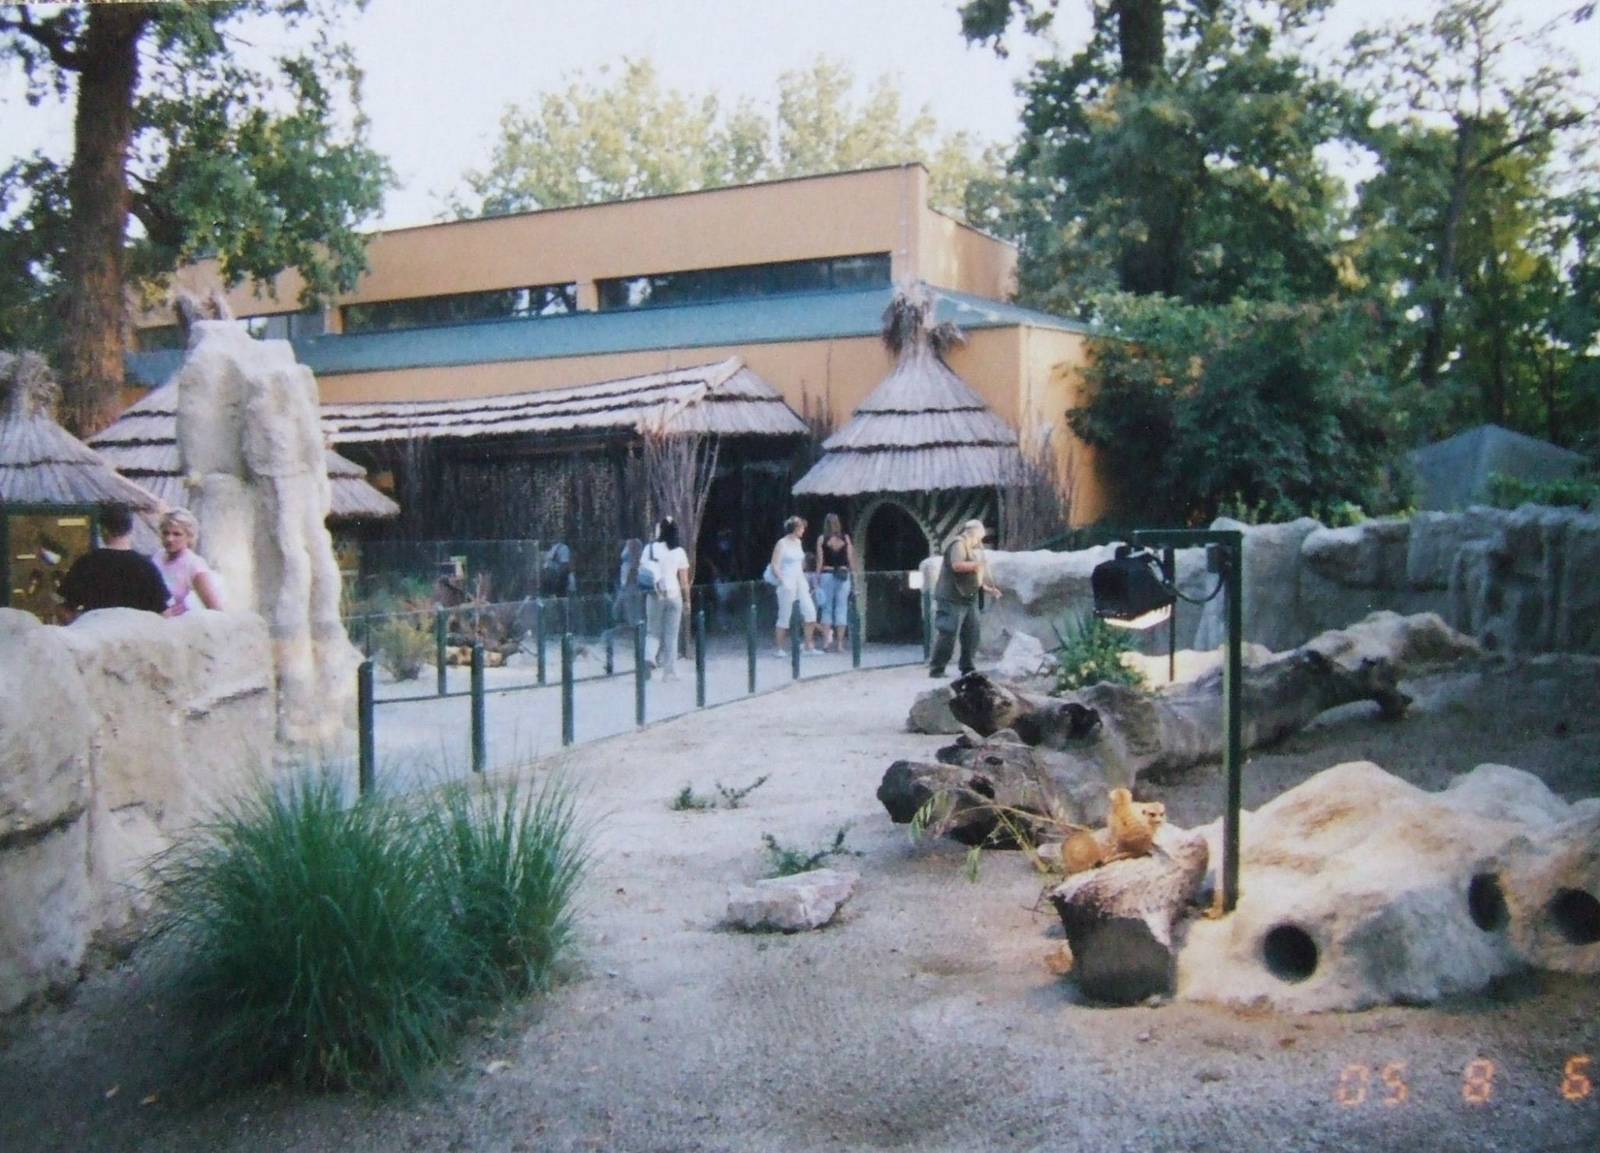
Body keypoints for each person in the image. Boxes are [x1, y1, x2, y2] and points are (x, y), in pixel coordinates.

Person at [57, 504, 170, 621]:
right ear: (131, 528)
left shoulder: (86, 563)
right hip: (133, 637)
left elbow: (65, 611)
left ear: (103, 529)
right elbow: (164, 614)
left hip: (95, 635)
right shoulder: (147, 567)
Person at [928, 518, 1001, 679]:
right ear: (973, 533)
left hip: (967, 598)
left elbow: (972, 578)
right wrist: (978, 564)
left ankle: (967, 667)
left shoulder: (969, 548)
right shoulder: (958, 544)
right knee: (948, 632)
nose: (979, 541)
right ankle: (937, 669)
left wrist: (989, 589)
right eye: (979, 537)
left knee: (972, 633)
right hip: (951, 597)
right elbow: (957, 565)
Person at [641, 517, 691, 680]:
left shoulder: (650, 549)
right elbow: (684, 580)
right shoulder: (679, 552)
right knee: (672, 634)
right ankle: (669, 672)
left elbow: (642, 570)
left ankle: (649, 657)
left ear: (660, 530)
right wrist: (687, 600)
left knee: (652, 631)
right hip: (674, 594)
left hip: (655, 594)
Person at [155, 508, 224, 616]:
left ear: (189, 536)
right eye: (165, 533)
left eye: (177, 534)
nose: (169, 539)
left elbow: (215, 609)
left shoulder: (194, 564)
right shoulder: (158, 557)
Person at [770, 515, 818, 656]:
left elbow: (800, 563)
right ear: (796, 528)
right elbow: (775, 564)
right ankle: (780, 648)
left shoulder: (798, 542)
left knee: (810, 612)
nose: (803, 530)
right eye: (802, 527)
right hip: (787, 581)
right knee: (784, 615)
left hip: (800, 581)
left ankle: (808, 645)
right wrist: (782, 579)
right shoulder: (782, 543)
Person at [813, 512, 855, 653]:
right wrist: (853, 575)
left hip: (827, 574)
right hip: (843, 575)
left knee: (827, 609)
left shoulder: (821, 539)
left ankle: (826, 643)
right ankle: (840, 644)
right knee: (841, 608)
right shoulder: (846, 539)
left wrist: (816, 579)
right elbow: (850, 559)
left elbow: (819, 561)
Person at [616, 537, 644, 627]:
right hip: (625, 582)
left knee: (631, 612)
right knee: (625, 610)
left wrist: (628, 581)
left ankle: (635, 633)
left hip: (631, 583)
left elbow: (635, 563)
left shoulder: (634, 543)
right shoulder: (627, 543)